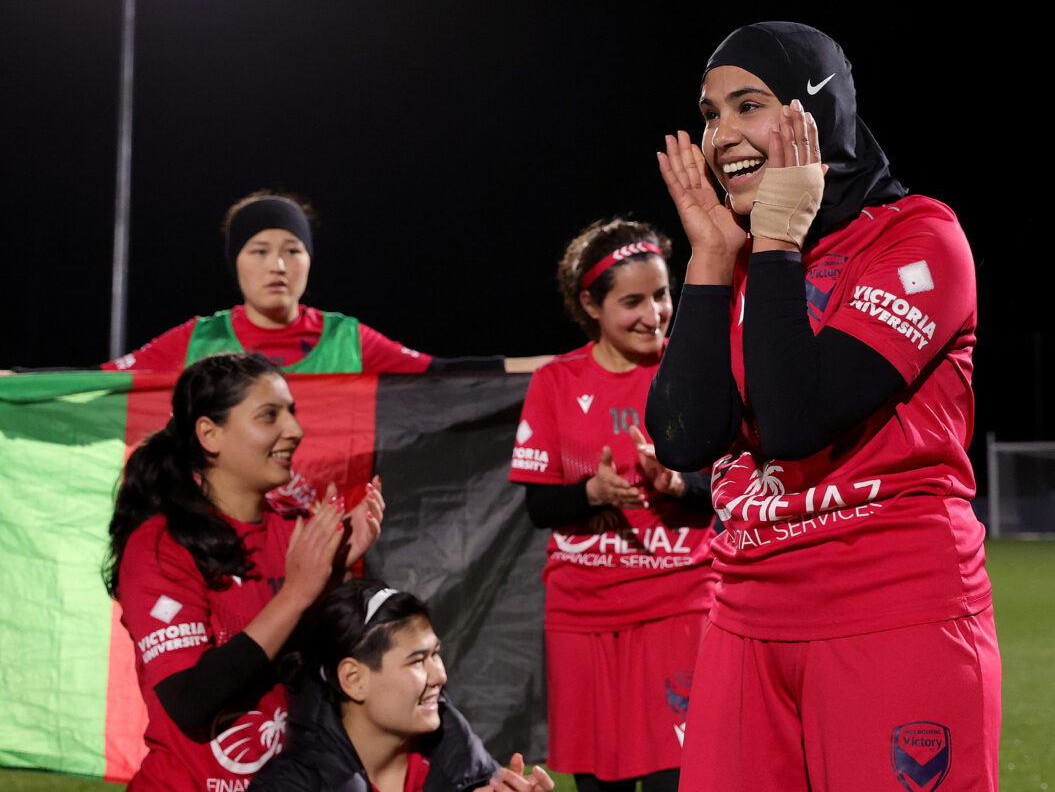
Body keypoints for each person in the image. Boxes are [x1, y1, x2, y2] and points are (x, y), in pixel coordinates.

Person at [647, 22, 1000, 791]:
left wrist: (776, 241)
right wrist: (711, 258)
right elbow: (683, 437)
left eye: (748, 105)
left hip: (892, 610)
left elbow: (796, 419)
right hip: (744, 612)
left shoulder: (919, 238)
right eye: (710, 114)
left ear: (821, 114)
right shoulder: (739, 256)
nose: (721, 135)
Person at [104, 352, 384, 791]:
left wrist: (333, 575)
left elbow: (320, 677)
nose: (294, 430)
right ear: (210, 434)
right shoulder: (161, 546)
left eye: (292, 413)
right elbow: (191, 700)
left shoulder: (295, 528)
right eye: (269, 415)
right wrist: (296, 593)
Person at [509, 218, 718, 792]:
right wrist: (591, 493)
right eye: (632, 301)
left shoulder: (696, 367)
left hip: (680, 602)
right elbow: (537, 506)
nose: (653, 314)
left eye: (661, 294)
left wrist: (679, 486)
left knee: (677, 779)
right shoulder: (556, 381)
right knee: (599, 784)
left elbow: (732, 490)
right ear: (590, 303)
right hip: (584, 614)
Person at [104, 189, 549, 374]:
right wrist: (29, 382)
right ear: (235, 262)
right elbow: (92, 384)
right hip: (221, 553)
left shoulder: (346, 340)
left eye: (292, 250)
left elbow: (447, 378)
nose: (277, 265)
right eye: (259, 251)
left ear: (309, 261)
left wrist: (564, 365)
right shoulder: (198, 341)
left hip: (330, 549)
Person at [249, 579, 555, 792]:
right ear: (354, 680)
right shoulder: (288, 785)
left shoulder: (461, 764)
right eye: (418, 661)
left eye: (436, 654)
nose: (441, 675)